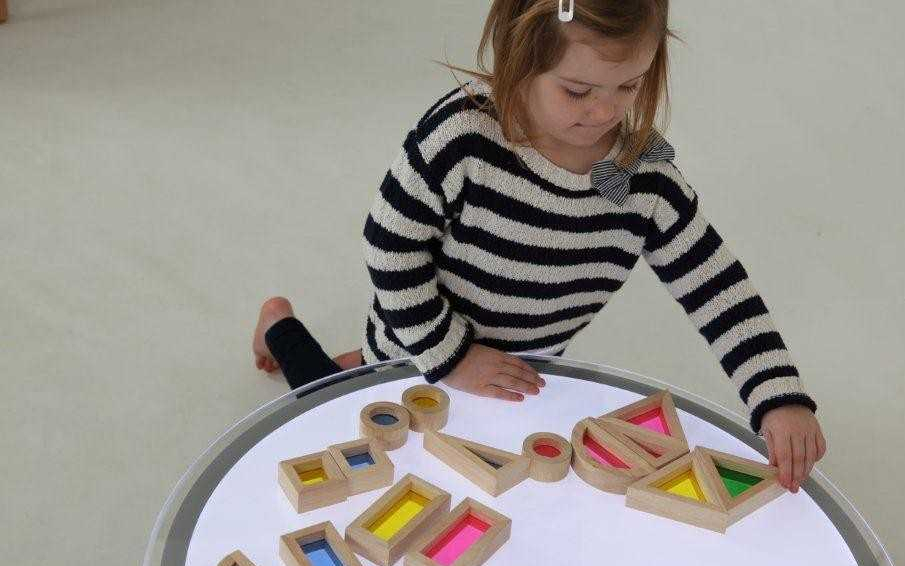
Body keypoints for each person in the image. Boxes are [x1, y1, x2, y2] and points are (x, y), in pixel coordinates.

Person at [251, 0, 826, 491]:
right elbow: (389, 248)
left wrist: (779, 395)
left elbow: (715, 284)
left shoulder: (642, 176)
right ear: (519, 60)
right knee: (332, 423)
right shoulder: (463, 140)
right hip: (417, 350)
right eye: (577, 91)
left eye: (629, 86)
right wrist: (453, 357)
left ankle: (350, 361)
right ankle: (280, 325)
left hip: (519, 377)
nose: (605, 111)